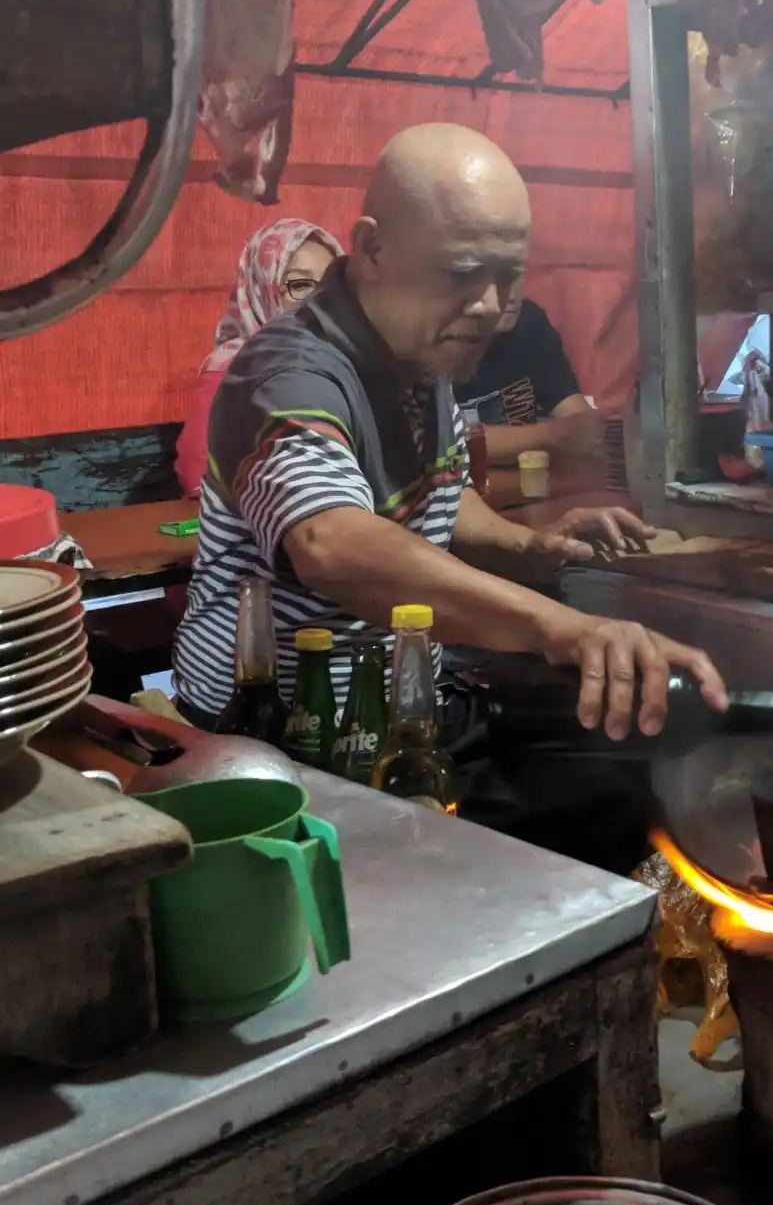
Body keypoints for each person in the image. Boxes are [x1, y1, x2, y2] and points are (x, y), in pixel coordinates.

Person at [173, 123, 724, 792]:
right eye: (464, 273)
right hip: (280, 736)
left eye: (508, 277)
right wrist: (562, 628)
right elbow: (332, 543)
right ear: (372, 247)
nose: (491, 306)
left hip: (407, 712)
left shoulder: (420, 351)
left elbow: (441, 494)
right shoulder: (285, 372)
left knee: (646, 777)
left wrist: (531, 546)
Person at [175, 219, 343, 496]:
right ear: (262, 287)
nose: (317, 299)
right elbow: (197, 473)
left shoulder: (343, 366)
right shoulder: (233, 369)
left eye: (329, 285)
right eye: (300, 284)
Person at [456, 293, 604, 464]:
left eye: (517, 274)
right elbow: (450, 443)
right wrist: (555, 434)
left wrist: (587, 430)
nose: (511, 296)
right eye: (499, 278)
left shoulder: (529, 322)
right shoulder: (433, 342)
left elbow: (577, 417)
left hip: (525, 482)